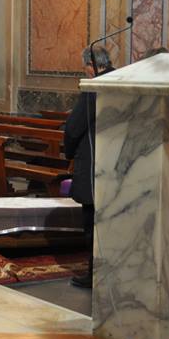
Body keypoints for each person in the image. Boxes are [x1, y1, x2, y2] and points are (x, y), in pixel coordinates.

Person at [64, 46, 114, 289]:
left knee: (92, 222)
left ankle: (95, 273)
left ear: (91, 66)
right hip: (117, 164)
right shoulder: (123, 82)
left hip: (94, 164)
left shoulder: (94, 88)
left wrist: (69, 153)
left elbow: (74, 128)